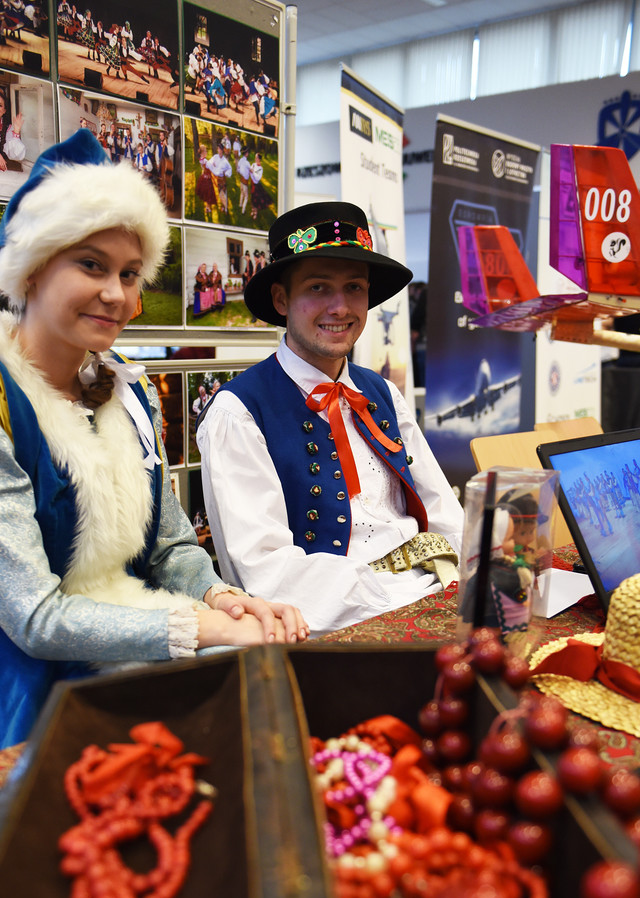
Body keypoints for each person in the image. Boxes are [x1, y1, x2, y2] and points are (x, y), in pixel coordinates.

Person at [0, 131, 307, 784]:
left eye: (129, 274)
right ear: (32, 267)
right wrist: (203, 628)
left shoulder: (125, 388)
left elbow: (169, 547)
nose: (116, 294)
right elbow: (34, 617)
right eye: (91, 264)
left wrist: (223, 598)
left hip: (128, 624)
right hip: (3, 673)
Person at [196, 201, 463, 636]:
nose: (340, 307)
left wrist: (465, 580)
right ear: (281, 299)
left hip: (435, 590)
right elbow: (263, 571)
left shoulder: (382, 393)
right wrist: (392, 604)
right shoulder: (238, 412)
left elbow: (442, 511)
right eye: (318, 287)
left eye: (354, 287)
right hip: (339, 622)